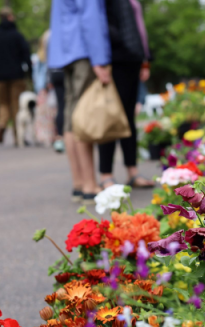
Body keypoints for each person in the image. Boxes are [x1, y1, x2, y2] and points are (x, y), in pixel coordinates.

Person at [48, 0, 112, 204]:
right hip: (83, 49)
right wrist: (99, 59)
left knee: (71, 116)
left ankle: (79, 184)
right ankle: (90, 186)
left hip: (64, 50)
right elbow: (90, 16)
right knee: (84, 115)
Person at [98, 0, 154, 189]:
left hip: (133, 60)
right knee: (111, 117)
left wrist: (145, 58)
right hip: (116, 59)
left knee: (129, 118)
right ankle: (107, 175)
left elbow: (139, 27)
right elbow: (101, 22)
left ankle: (132, 172)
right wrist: (122, 43)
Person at [0, 7, 31, 144]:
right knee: (16, 106)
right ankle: (18, 138)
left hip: (0, 78)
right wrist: (29, 72)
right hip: (16, 76)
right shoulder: (17, 35)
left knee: (3, 105)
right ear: (10, 17)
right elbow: (26, 55)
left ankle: (1, 126)